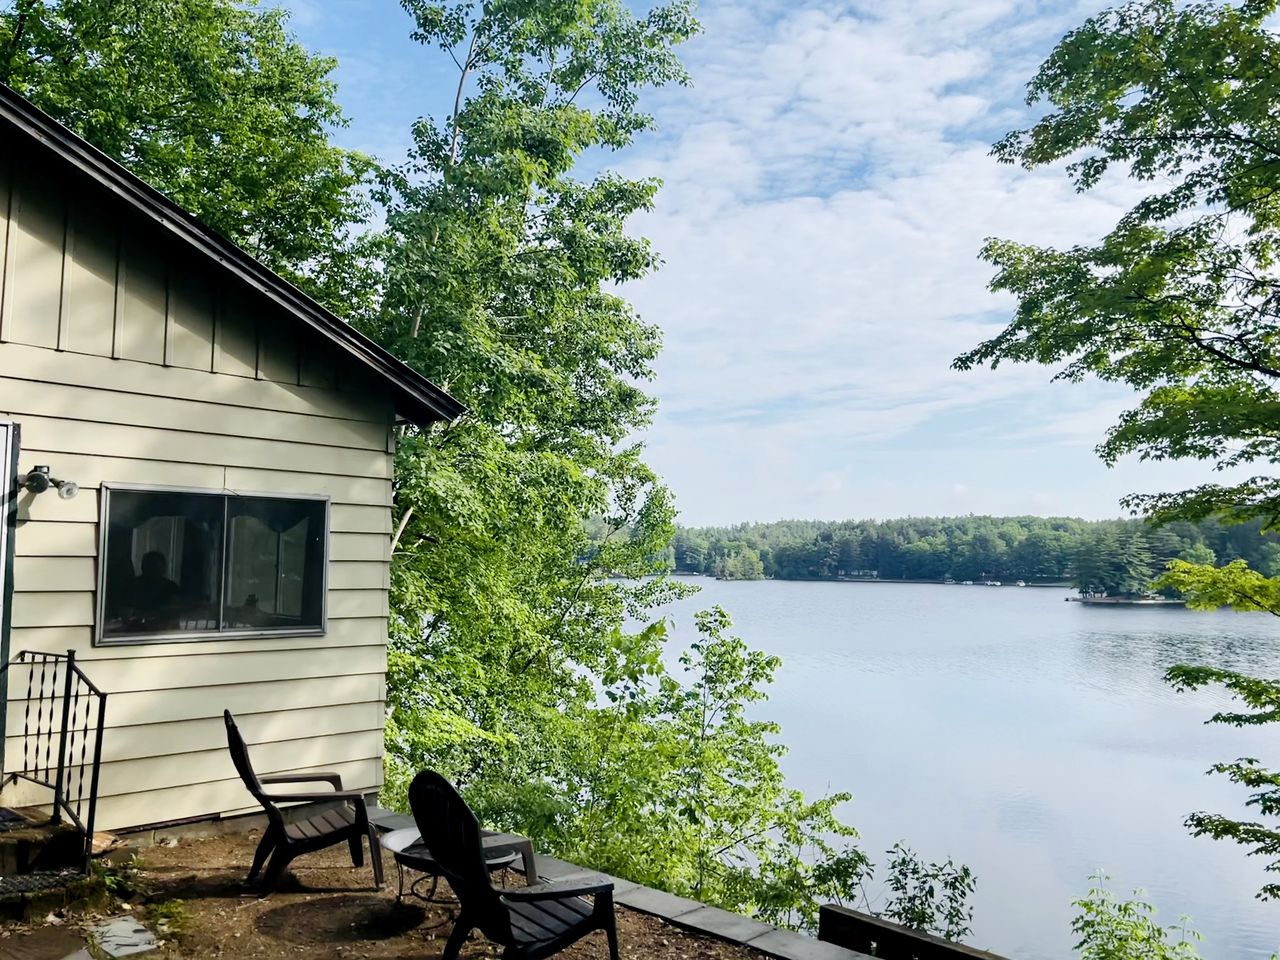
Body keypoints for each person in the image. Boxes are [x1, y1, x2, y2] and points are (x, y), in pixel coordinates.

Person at [130, 550, 182, 630]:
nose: (153, 569)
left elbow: (175, 611)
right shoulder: (134, 586)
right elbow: (128, 613)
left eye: (156, 566)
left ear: (163, 568)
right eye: (150, 565)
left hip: (165, 630)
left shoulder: (171, 587)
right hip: (136, 631)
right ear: (143, 567)